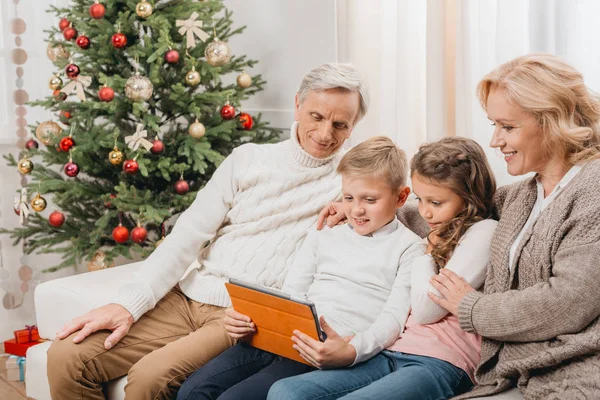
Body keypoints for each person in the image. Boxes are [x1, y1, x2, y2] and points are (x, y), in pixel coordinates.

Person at [46, 62, 369, 400]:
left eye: (340, 124)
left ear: (352, 128)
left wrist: (357, 206)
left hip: (243, 316)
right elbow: (186, 237)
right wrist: (127, 306)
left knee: (149, 378)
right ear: (298, 105)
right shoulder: (249, 159)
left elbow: (399, 201)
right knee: (67, 356)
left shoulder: (352, 181)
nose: (325, 134)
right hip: (186, 296)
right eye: (317, 117)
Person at [176, 136, 431, 400]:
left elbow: (394, 318)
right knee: (192, 391)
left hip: (326, 348)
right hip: (283, 336)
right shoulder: (325, 233)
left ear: (401, 197)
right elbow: (293, 292)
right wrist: (254, 320)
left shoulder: (410, 247)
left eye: (369, 200)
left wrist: (353, 350)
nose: (356, 210)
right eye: (348, 197)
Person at [267, 137, 498, 400]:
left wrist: (427, 252)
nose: (425, 213)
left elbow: (426, 310)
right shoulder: (435, 229)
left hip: (442, 358)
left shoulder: (481, 232)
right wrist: (351, 205)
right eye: (421, 200)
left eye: (435, 203)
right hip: (394, 350)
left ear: (468, 197)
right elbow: (390, 203)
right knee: (285, 391)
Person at [427, 53, 600, 399]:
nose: (495, 141)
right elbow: (461, 206)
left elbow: (568, 302)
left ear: (552, 122)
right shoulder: (523, 194)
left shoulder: (592, 190)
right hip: (511, 373)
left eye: (507, 127)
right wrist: (369, 208)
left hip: (575, 373)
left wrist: (471, 307)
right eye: (494, 126)